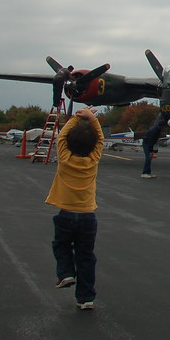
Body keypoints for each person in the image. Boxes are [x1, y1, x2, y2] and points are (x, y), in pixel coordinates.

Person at [45, 107, 104, 311]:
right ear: (93, 146)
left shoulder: (64, 159)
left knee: (61, 245)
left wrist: (75, 117)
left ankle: (66, 273)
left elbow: (61, 136)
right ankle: (86, 297)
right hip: (88, 216)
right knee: (86, 256)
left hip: (66, 214)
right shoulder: (93, 160)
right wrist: (91, 118)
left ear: (68, 144)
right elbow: (100, 140)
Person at [140, 112, 165, 179]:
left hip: (148, 142)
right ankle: (144, 173)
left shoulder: (158, 129)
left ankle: (148, 172)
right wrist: (151, 150)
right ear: (161, 126)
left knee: (149, 158)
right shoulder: (155, 130)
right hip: (146, 142)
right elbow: (151, 141)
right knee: (148, 157)